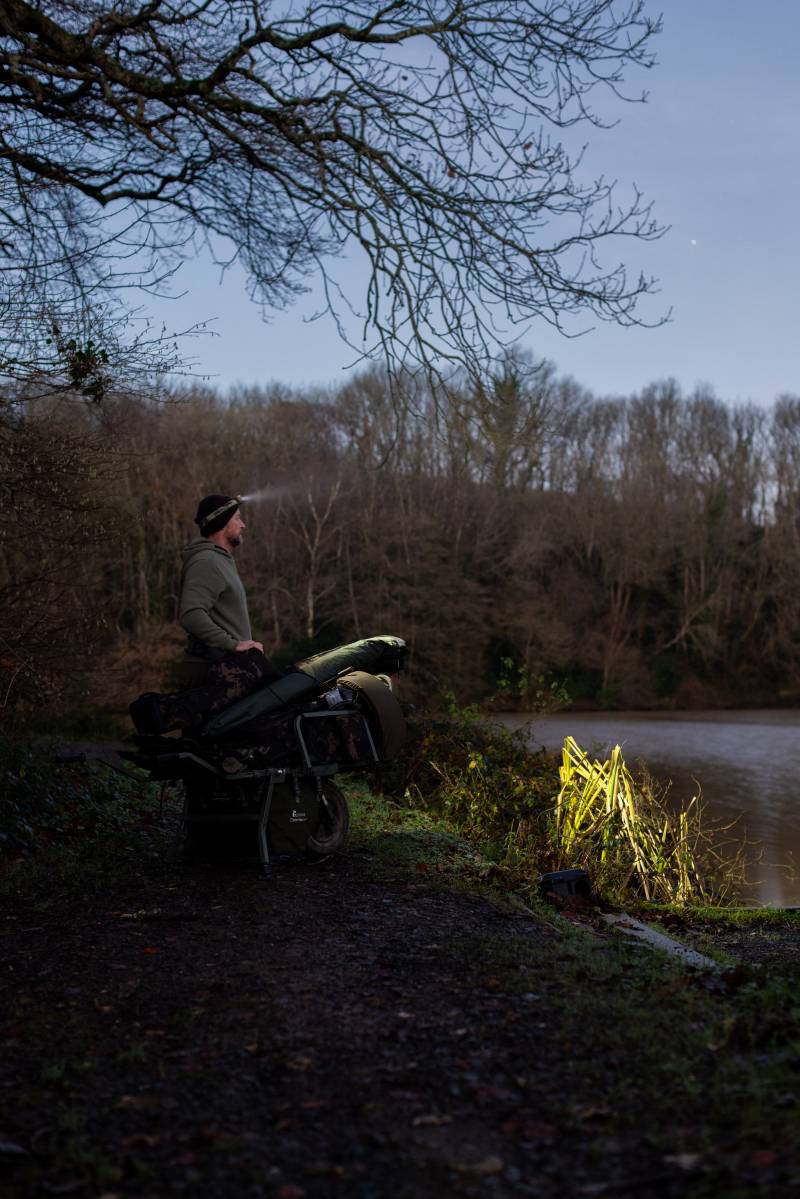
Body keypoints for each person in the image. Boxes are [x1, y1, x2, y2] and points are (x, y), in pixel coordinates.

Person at [129, 493, 281, 735]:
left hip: (226, 669)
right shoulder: (207, 561)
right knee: (204, 752)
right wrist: (234, 644)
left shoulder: (220, 560)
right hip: (213, 671)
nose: (243, 525)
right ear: (222, 523)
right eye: (238, 518)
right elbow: (191, 615)